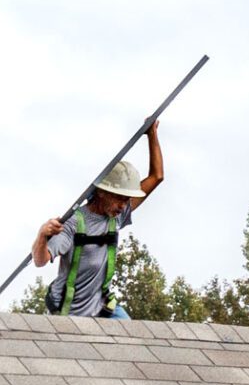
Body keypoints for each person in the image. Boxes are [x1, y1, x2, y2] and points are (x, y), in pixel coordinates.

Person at [33, 119, 165, 318]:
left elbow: (157, 177)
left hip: (102, 308)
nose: (124, 206)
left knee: (133, 334)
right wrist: (42, 236)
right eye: (120, 199)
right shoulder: (74, 224)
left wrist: (152, 134)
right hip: (70, 312)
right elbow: (40, 260)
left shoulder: (116, 216)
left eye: (127, 200)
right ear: (103, 192)